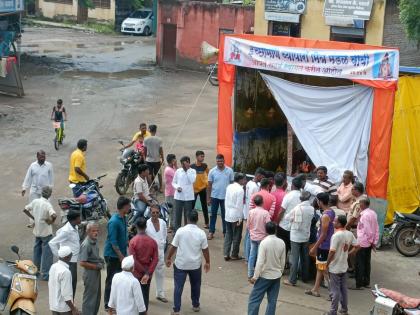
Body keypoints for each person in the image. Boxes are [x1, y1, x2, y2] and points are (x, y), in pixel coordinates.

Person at [166, 210, 210, 315]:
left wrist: (168, 258)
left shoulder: (181, 231)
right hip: (195, 265)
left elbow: (173, 246)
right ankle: (195, 305)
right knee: (196, 285)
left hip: (181, 264)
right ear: (197, 220)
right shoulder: (201, 233)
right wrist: (207, 262)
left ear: (187, 218)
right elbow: (205, 250)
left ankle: (176, 310)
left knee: (178, 287)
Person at [248, 222, 286, 315]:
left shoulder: (264, 243)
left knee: (254, 300)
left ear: (266, 230)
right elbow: (283, 260)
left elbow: (260, 262)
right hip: (276, 276)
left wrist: (255, 277)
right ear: (276, 230)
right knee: (272, 301)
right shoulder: (281, 242)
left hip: (264, 276)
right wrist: (280, 271)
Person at [325, 215, 358, 315]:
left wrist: (327, 264)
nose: (333, 222)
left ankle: (332, 312)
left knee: (335, 291)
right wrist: (349, 253)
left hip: (335, 267)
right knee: (343, 289)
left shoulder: (336, 236)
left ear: (339, 223)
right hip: (343, 267)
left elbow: (332, 252)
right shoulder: (349, 234)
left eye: (335, 221)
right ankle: (344, 309)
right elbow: (357, 246)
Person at [23, 186, 56, 281]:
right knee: (47, 254)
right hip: (46, 233)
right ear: (49, 194)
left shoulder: (35, 201)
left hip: (37, 232)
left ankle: (34, 273)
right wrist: (51, 221)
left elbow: (25, 209)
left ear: (42, 193)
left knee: (36, 252)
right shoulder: (47, 204)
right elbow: (54, 215)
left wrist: (33, 218)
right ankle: (46, 275)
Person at [306, 192, 335, 297]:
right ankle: (315, 289)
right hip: (326, 245)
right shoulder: (330, 211)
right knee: (321, 268)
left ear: (320, 202)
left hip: (324, 246)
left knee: (324, 270)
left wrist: (314, 247)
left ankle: (332, 292)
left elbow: (323, 234)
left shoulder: (325, 216)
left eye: (317, 200)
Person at [103, 196, 130, 311]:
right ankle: (107, 304)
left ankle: (116, 301)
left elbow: (124, 236)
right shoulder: (113, 222)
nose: (130, 207)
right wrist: (121, 257)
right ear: (124, 207)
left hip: (121, 254)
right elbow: (113, 242)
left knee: (119, 279)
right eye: (128, 205)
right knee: (111, 280)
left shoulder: (124, 218)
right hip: (112, 255)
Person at [283, 191, 314, 286]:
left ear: (300, 199)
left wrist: (293, 219)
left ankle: (292, 279)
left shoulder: (297, 208)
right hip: (306, 235)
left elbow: (287, 217)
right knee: (305, 257)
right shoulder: (311, 208)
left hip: (296, 236)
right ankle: (305, 277)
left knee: (294, 258)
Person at [129, 217, 159, 313]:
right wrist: (148, 273)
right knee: (145, 294)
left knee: (134, 295)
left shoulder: (133, 241)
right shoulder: (152, 242)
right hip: (147, 273)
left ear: (136, 226)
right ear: (146, 227)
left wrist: (143, 271)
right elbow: (155, 259)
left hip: (136, 273)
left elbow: (133, 259)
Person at [49, 210, 81, 297]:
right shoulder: (66, 231)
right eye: (79, 218)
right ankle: (70, 308)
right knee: (70, 285)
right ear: (74, 220)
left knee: (72, 283)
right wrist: (60, 255)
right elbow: (52, 243)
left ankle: (71, 306)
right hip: (69, 261)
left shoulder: (74, 227)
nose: (80, 219)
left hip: (73, 260)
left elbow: (58, 232)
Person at [350, 197, 379, 290]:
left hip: (363, 241)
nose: (359, 205)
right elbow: (376, 228)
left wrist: (371, 240)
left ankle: (359, 284)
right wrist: (374, 241)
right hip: (368, 242)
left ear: (364, 204)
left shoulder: (365, 215)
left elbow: (368, 230)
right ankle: (366, 282)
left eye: (360, 203)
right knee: (366, 262)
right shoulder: (373, 213)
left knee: (360, 263)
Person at [22, 150, 54, 227]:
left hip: (45, 191)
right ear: (37, 157)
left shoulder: (49, 165)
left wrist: (50, 188)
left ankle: (46, 221)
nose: (43, 158)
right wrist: (24, 188)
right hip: (34, 190)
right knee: (33, 206)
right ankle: (33, 222)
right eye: (41, 156)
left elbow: (51, 178)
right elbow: (28, 177)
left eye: (44, 156)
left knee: (46, 206)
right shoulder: (32, 165)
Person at [207, 154, 234, 240]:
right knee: (213, 215)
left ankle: (225, 232)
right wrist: (208, 198)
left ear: (224, 161)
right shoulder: (212, 171)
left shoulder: (229, 171)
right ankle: (211, 231)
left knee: (225, 215)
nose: (220, 162)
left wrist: (231, 197)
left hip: (226, 198)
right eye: (218, 161)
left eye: (221, 161)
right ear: (216, 161)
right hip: (214, 196)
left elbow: (232, 184)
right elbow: (209, 186)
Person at [79, 223, 104, 315]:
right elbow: (82, 263)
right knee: (90, 297)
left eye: (97, 230)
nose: (96, 233)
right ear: (88, 232)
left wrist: (100, 261)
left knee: (96, 296)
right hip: (90, 273)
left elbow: (95, 256)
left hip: (96, 272)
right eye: (93, 231)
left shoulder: (95, 240)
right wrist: (96, 266)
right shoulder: (86, 244)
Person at [48, 246, 80, 315]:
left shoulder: (53, 266)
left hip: (54, 306)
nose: (71, 256)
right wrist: (73, 309)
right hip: (64, 309)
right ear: (67, 257)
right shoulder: (65, 272)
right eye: (70, 255)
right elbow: (66, 295)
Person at [146, 205, 168, 302]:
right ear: (150, 213)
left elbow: (164, 236)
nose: (155, 214)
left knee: (160, 273)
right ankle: (145, 294)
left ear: (159, 213)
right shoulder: (147, 224)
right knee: (148, 274)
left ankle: (160, 293)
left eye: (157, 212)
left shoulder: (163, 223)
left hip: (160, 252)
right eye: (153, 212)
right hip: (150, 254)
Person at [278, 177, 304, 256]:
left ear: (292, 185)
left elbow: (281, 211)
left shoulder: (288, 195)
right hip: (297, 226)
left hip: (284, 226)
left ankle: (283, 263)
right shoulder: (303, 196)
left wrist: (277, 222)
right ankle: (290, 263)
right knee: (293, 248)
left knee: (283, 247)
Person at [243, 168, 265, 262]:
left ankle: (247, 255)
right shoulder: (255, 187)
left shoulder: (249, 183)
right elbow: (256, 201)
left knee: (248, 235)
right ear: (258, 175)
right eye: (262, 177)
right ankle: (248, 257)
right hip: (252, 212)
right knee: (250, 236)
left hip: (248, 212)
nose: (262, 179)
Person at [247, 195, 271, 279]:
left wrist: (251, 232)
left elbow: (248, 225)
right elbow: (268, 226)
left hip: (253, 237)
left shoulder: (251, 212)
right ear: (262, 202)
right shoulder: (266, 213)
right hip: (262, 238)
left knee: (252, 255)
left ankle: (250, 273)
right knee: (261, 257)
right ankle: (258, 274)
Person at [224, 172, 246, 261]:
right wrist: (240, 218)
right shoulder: (240, 190)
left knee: (228, 234)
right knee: (237, 235)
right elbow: (239, 206)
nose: (245, 181)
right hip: (236, 215)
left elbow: (226, 200)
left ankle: (226, 253)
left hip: (228, 213)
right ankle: (234, 254)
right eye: (244, 179)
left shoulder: (229, 186)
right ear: (240, 180)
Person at [172, 156, 196, 233]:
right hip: (178, 197)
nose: (183, 166)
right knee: (177, 216)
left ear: (188, 163)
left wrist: (187, 170)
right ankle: (176, 232)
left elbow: (192, 180)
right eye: (182, 164)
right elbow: (173, 182)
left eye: (184, 164)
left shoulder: (192, 171)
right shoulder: (178, 171)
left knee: (187, 216)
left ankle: (186, 233)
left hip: (188, 198)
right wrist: (177, 187)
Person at [191, 150, 210, 229]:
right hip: (194, 190)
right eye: (201, 156)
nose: (202, 158)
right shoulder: (192, 166)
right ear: (196, 157)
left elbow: (208, 174)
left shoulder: (205, 166)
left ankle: (206, 223)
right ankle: (191, 222)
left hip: (203, 189)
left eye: (203, 156)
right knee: (192, 206)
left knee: (204, 206)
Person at [144, 124, 164, 192]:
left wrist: (144, 158)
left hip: (149, 160)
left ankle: (151, 187)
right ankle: (161, 188)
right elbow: (161, 150)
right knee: (159, 173)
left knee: (149, 174)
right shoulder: (159, 139)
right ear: (155, 130)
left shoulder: (146, 139)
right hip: (157, 160)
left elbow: (145, 150)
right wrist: (163, 158)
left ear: (149, 130)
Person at [164, 154, 177, 231]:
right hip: (170, 193)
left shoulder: (172, 168)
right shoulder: (168, 170)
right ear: (172, 161)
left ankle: (171, 225)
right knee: (169, 210)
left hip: (173, 193)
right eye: (174, 160)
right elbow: (177, 175)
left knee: (173, 210)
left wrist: (175, 166)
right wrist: (176, 165)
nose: (176, 161)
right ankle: (168, 226)